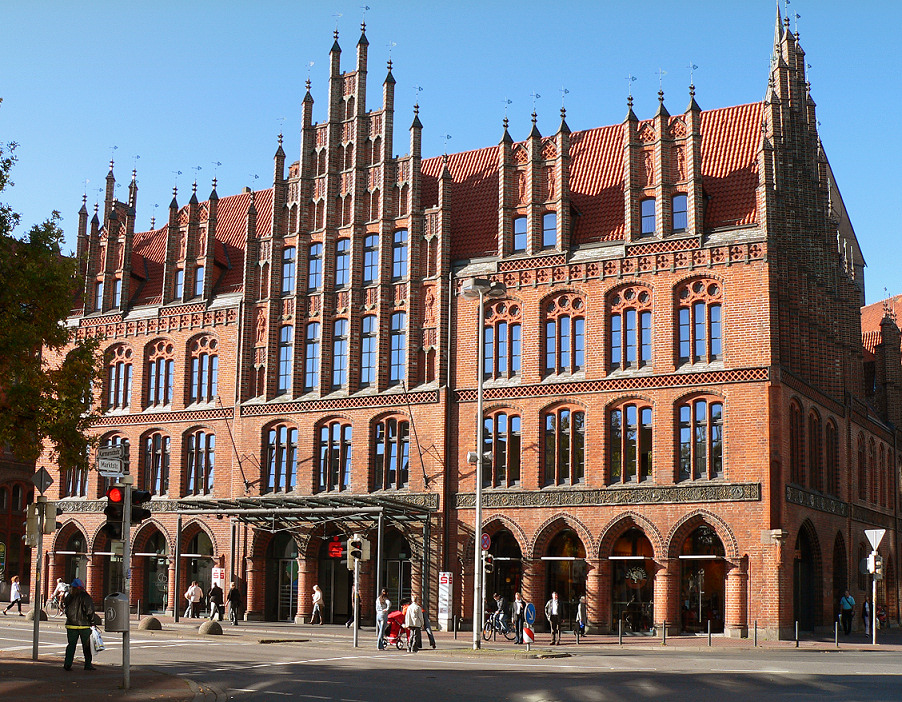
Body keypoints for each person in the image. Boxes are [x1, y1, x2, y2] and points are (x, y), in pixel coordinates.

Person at [62, 578, 96, 671]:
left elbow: (66, 609)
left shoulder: (69, 596)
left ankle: (67, 664)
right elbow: (90, 610)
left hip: (71, 624)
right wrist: (92, 622)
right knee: (86, 646)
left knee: (71, 645)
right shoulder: (85, 596)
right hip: (84, 625)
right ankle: (88, 664)